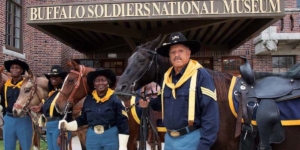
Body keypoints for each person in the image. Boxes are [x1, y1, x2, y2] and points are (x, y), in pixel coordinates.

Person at [139, 32, 220, 150]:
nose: (176, 55)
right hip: (169, 140)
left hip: (191, 139)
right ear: (169, 56)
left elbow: (211, 114)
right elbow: (163, 104)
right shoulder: (166, 78)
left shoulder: (201, 76)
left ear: (188, 53)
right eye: (173, 52)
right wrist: (148, 102)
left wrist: (204, 145)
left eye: (180, 51)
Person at [58, 68, 129, 150]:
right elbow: (83, 119)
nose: (100, 83)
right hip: (92, 137)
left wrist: (123, 146)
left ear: (108, 83)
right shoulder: (89, 99)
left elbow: (123, 123)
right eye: (97, 81)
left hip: (110, 136)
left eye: (103, 80)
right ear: (94, 84)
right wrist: (67, 125)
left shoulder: (116, 99)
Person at [30, 65, 72, 150]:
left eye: (56, 76)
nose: (53, 78)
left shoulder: (64, 94)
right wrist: (40, 109)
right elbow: (52, 109)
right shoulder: (52, 93)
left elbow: (67, 110)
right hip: (49, 125)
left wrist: (63, 130)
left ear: (62, 79)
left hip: (59, 125)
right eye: (52, 76)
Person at [0, 59, 32, 150]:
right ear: (9, 70)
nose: (14, 69)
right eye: (12, 67)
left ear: (21, 70)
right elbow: (3, 101)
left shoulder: (27, 85)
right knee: (8, 147)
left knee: (26, 146)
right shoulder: (6, 85)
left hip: (23, 118)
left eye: (17, 68)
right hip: (9, 119)